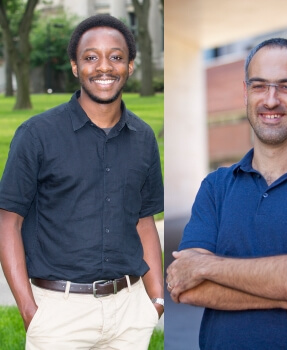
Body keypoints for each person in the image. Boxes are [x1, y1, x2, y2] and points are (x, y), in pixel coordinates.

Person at [166, 38, 287, 349]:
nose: (271, 100)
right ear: (245, 93)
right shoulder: (216, 186)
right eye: (259, 86)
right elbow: (186, 288)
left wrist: (206, 265)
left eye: (286, 87)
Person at [0, 14, 164, 350]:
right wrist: (30, 310)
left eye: (116, 57)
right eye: (91, 57)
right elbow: (7, 222)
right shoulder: (36, 135)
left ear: (130, 66)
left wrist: (157, 300)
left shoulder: (144, 138)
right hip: (59, 313)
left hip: (129, 313)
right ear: (76, 67)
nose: (104, 67)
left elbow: (144, 221)